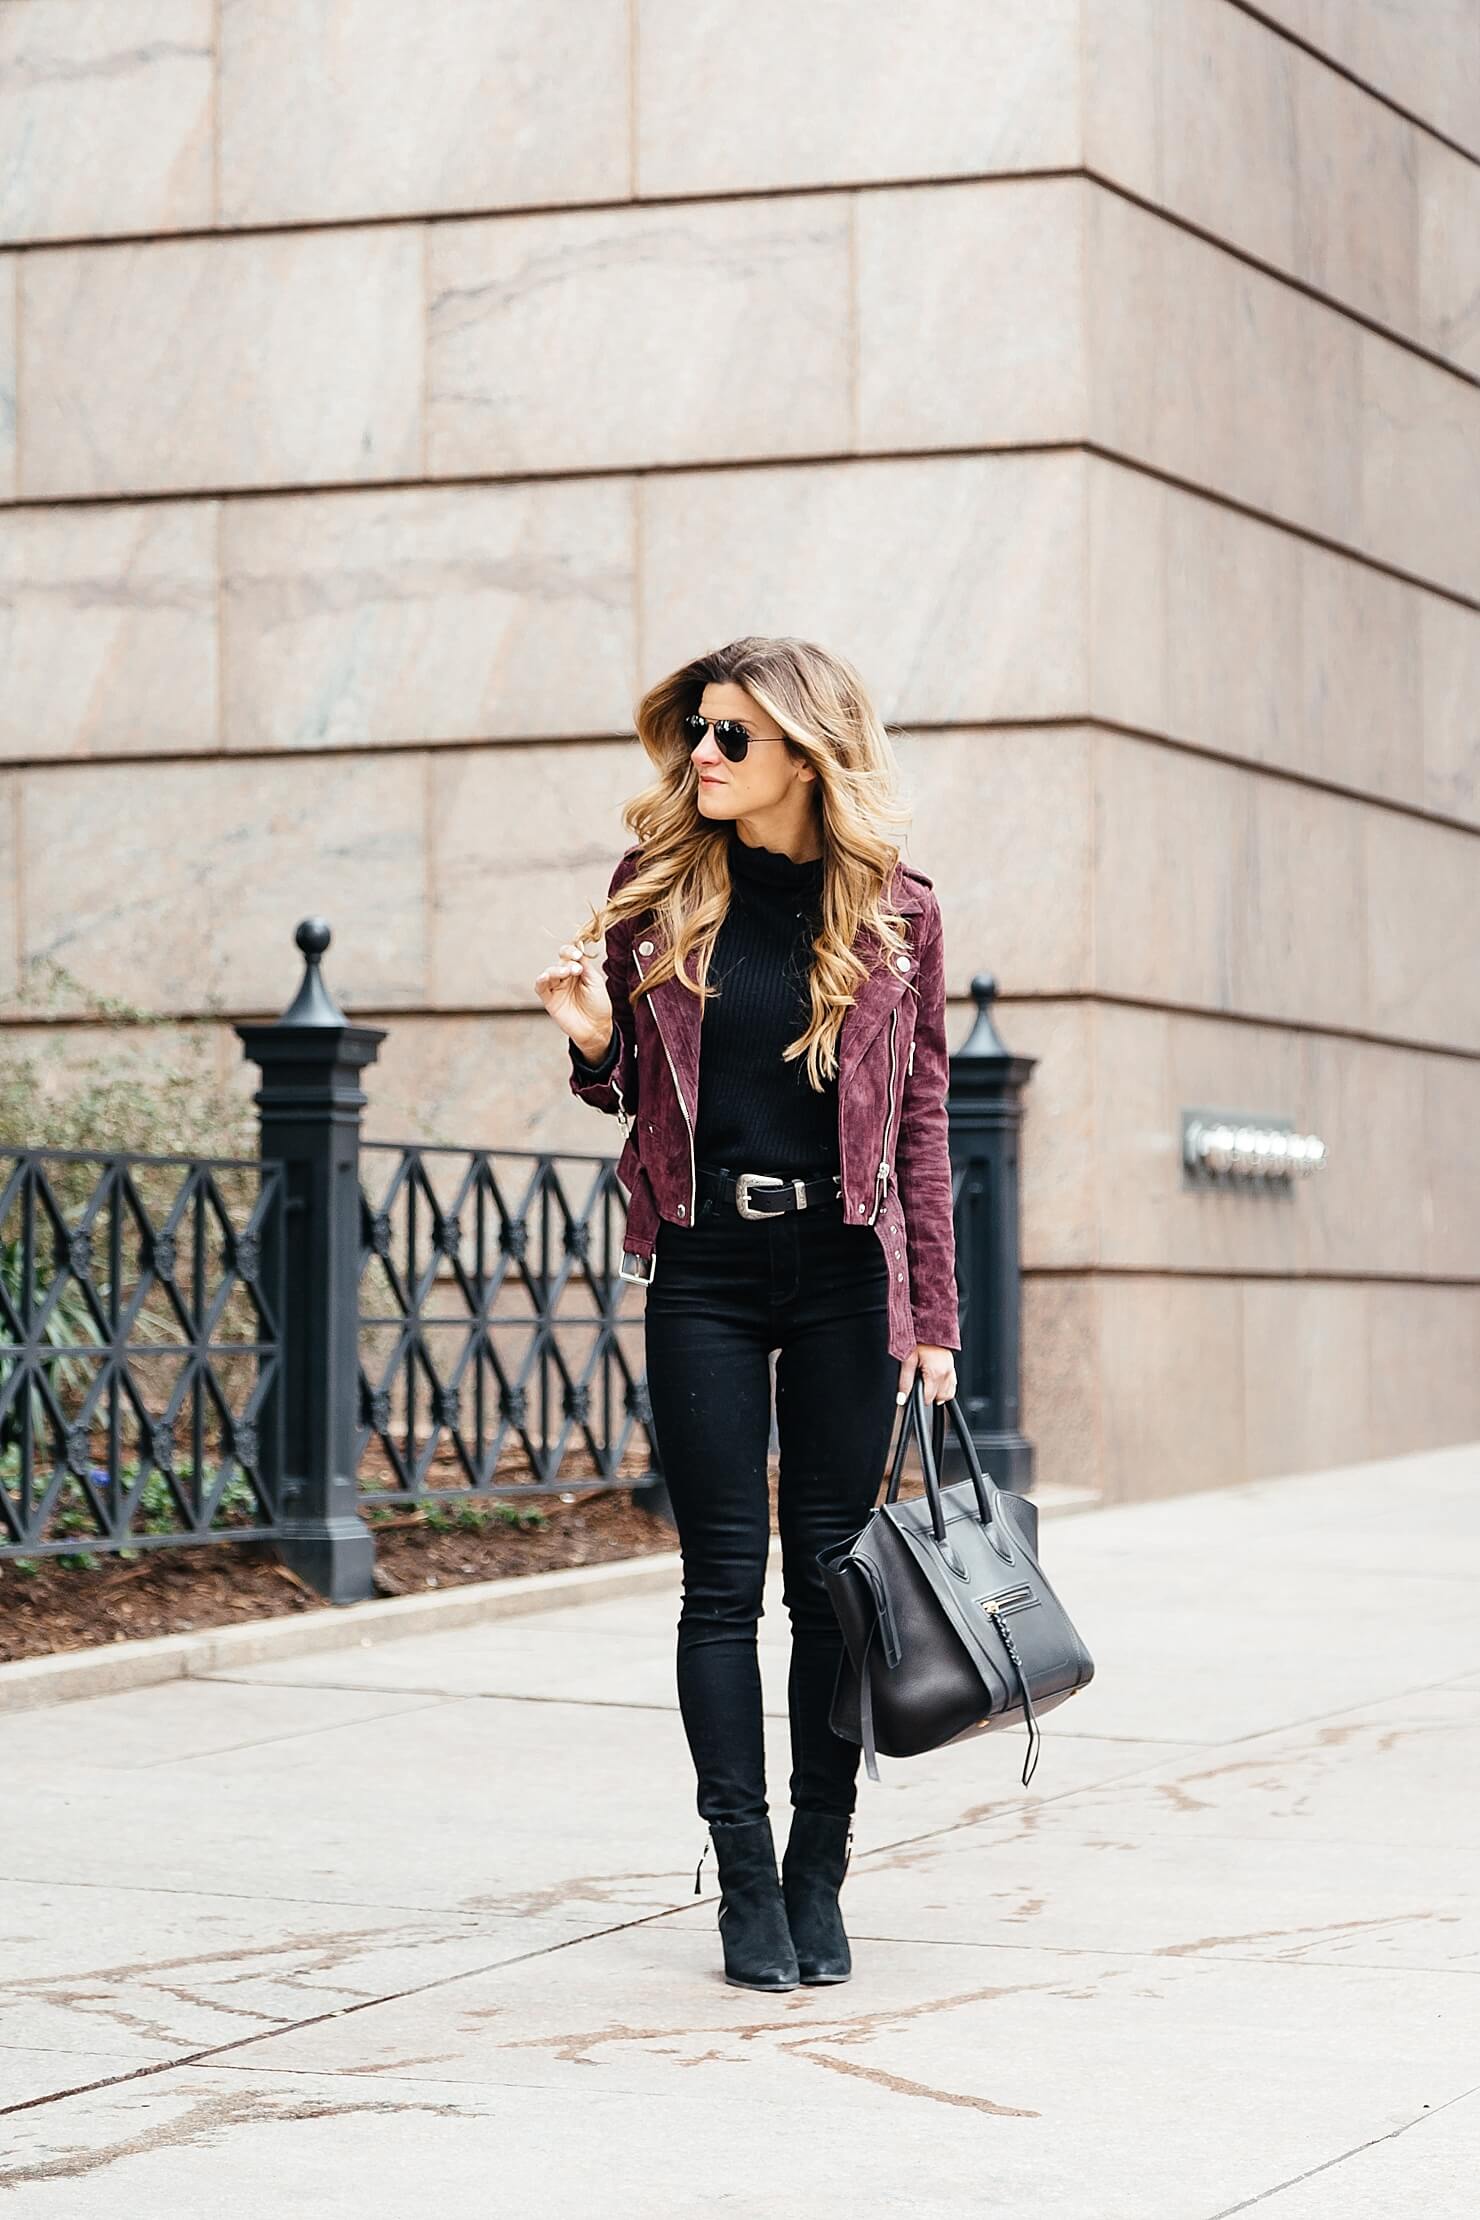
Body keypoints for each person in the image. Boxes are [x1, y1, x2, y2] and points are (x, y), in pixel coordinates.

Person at [535, 635, 960, 1991]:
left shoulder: (899, 912)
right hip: (705, 1269)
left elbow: (926, 1128)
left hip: (844, 1274)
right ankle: (743, 1883)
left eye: (732, 737)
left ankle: (817, 1876)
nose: (702, 758)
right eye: (698, 734)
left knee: (832, 1587)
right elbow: (620, 1095)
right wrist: (590, 1036)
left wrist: (935, 1315)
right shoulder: (653, 893)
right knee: (719, 1584)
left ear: (804, 752)